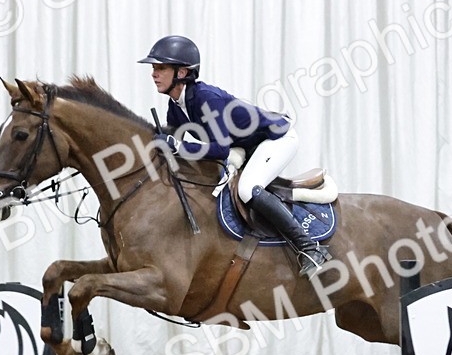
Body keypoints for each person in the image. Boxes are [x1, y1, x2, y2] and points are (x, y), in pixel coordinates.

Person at [138, 35, 330, 277]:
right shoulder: (175, 106)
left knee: (247, 189)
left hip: (276, 139)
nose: (154, 74)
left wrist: (176, 145)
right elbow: (172, 143)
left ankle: (310, 248)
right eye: (154, 68)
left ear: (183, 72)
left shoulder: (207, 99)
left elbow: (219, 150)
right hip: (248, 145)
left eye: (161, 68)